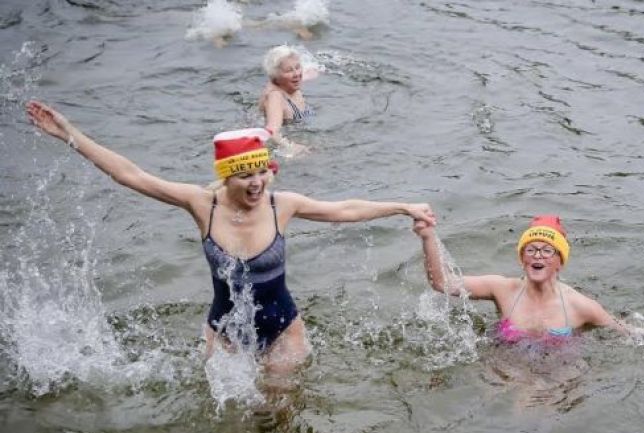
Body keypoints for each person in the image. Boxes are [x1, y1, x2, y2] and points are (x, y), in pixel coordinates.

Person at [26, 100, 436, 374]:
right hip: (223, 332)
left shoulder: (283, 205)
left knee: (281, 411)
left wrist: (402, 206)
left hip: (282, 328)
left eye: (262, 172)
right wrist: (69, 134)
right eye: (245, 175)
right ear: (226, 176)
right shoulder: (201, 205)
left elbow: (344, 210)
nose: (257, 183)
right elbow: (131, 175)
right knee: (232, 426)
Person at [413, 215, 627, 342]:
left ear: (560, 262)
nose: (537, 255)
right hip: (508, 369)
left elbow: (628, 334)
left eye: (547, 251)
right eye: (531, 249)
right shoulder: (502, 289)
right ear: (521, 258)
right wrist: (428, 237)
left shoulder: (581, 306)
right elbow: (442, 283)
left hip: (560, 372)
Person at [258, 45, 316, 155]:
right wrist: (291, 146)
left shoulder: (290, 83)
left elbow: (308, 73)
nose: (297, 74)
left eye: (298, 67)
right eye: (289, 71)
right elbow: (271, 132)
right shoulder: (275, 97)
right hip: (289, 136)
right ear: (275, 76)